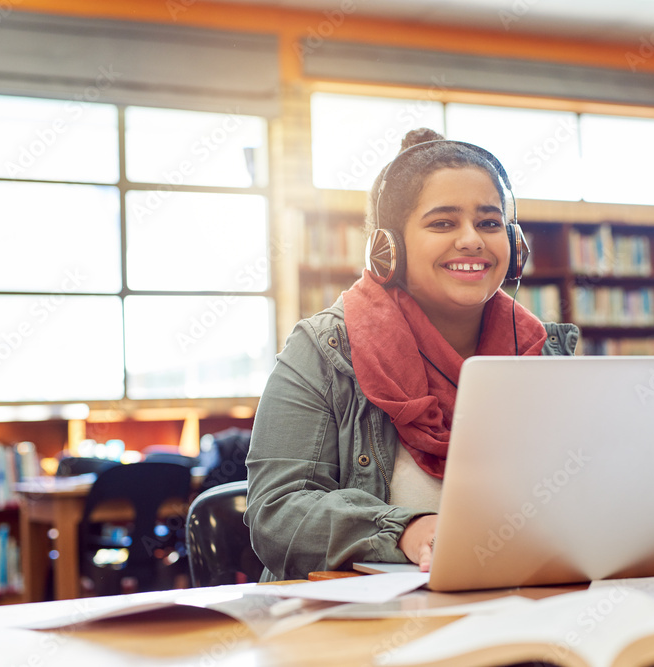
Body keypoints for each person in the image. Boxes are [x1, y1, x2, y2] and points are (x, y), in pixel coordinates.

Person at [244, 128, 579, 581]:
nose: (472, 240)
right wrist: (404, 530)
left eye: (490, 222)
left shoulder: (545, 355)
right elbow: (277, 512)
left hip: (515, 604)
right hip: (359, 631)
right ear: (388, 249)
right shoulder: (323, 351)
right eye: (443, 223)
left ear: (514, 244)